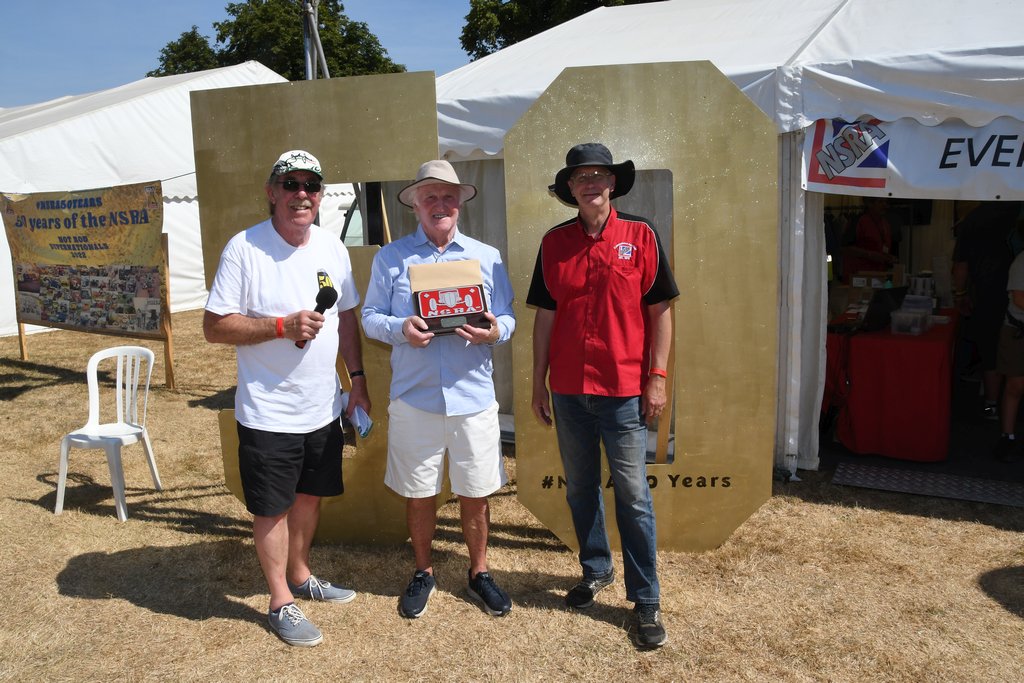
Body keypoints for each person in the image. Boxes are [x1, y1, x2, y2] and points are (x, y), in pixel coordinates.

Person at [204, 150, 371, 647]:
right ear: (271, 192)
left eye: (311, 186)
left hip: (322, 407)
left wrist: (357, 379)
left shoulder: (332, 247)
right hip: (268, 412)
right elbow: (215, 326)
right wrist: (280, 327)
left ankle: (300, 573)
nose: (302, 194)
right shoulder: (244, 248)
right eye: (291, 184)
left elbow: (345, 318)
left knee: (308, 497)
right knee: (272, 508)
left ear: (320, 196)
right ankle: (280, 600)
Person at [528, 142, 679, 649]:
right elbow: (545, 317)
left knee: (633, 496)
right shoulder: (554, 243)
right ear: (570, 189)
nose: (590, 183)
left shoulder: (641, 235)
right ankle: (596, 569)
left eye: (598, 174)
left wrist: (657, 377)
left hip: (624, 391)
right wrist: (537, 382)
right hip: (569, 390)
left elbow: (661, 311)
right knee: (580, 488)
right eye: (580, 177)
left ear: (613, 183)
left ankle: (646, 599)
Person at [361, 160, 516, 619]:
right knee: (419, 491)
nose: (440, 205)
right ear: (415, 205)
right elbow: (369, 317)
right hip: (416, 397)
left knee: (476, 491)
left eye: (448, 196)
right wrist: (400, 328)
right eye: (430, 197)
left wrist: (495, 332)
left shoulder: (487, 256)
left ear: (460, 203)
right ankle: (423, 570)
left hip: (472, 397)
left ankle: (479, 572)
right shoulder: (391, 258)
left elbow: (507, 316)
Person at [951, 202, 1020, 419]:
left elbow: (961, 266)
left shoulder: (973, 219)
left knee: (990, 350)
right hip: (1018, 291)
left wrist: (960, 294)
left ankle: (992, 406)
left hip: (986, 293)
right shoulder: (1017, 208)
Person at [994, 231, 1024, 462]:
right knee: (1016, 385)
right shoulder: (1021, 262)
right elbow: (1019, 299)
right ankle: (1008, 436)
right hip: (1018, 331)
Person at [843, 197, 895, 282]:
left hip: (879, 276)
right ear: (870, 204)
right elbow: (845, 248)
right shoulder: (858, 221)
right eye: (880, 202)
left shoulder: (886, 223)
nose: (885, 205)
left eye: (886, 202)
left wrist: (888, 258)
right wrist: (869, 255)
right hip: (859, 277)